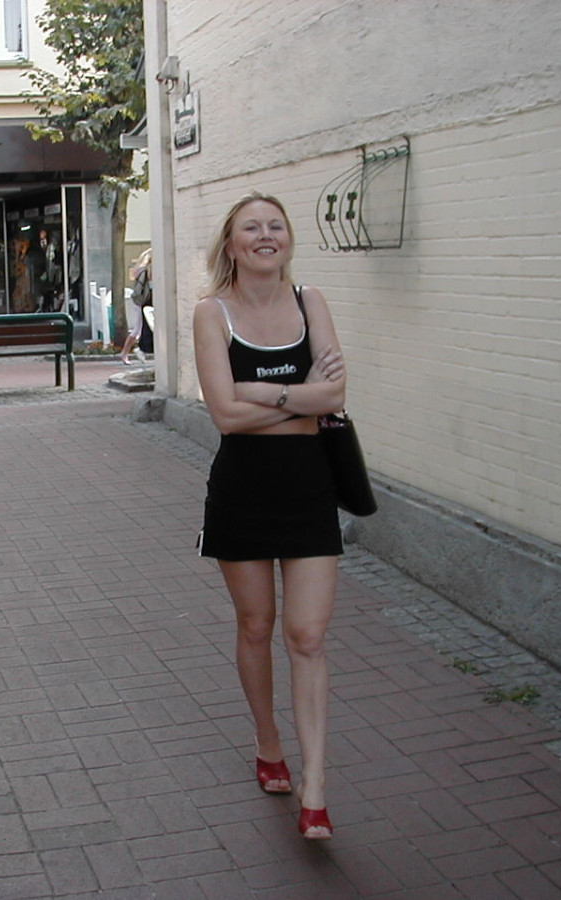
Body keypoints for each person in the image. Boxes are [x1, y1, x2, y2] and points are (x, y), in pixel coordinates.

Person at [192, 192, 348, 840]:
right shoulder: (212, 313)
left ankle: (316, 787)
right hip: (243, 493)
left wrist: (261, 391)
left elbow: (334, 396)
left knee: (307, 636)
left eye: (275, 226)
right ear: (231, 245)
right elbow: (225, 416)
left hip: (310, 490)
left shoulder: (312, 303)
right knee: (256, 625)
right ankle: (267, 742)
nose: (265, 235)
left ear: (288, 239)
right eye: (251, 227)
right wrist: (299, 400)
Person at [120, 248, 153, 365]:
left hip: (140, 302)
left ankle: (129, 352)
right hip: (142, 302)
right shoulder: (147, 272)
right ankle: (126, 353)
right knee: (137, 329)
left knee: (138, 329)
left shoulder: (142, 271)